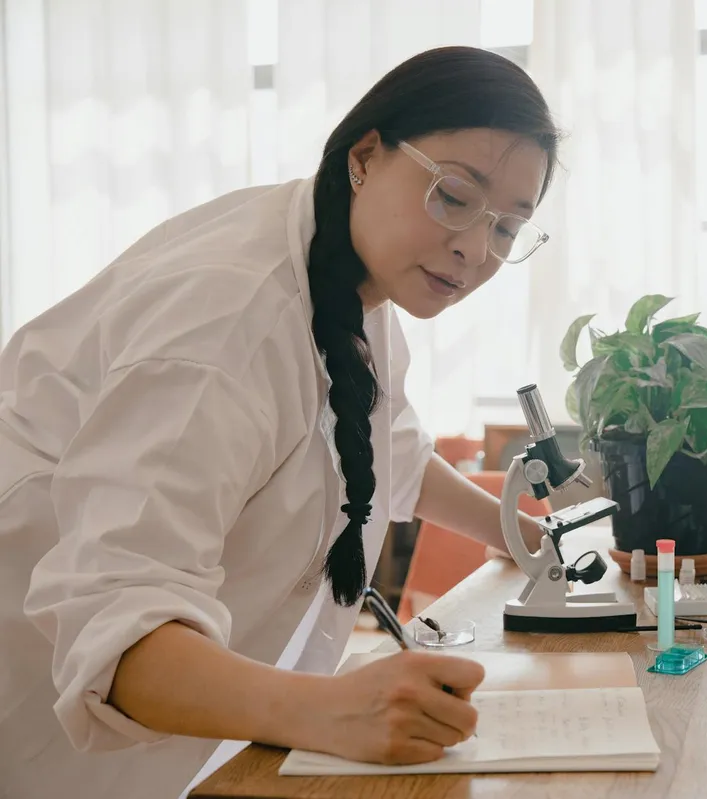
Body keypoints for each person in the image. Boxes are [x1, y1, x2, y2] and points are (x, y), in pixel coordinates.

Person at [0, 45, 559, 799]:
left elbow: (381, 446)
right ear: (366, 155)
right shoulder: (226, 320)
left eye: (507, 229)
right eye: (455, 196)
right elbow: (113, 623)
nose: (473, 248)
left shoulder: (353, 280)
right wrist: (334, 709)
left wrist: (524, 529)